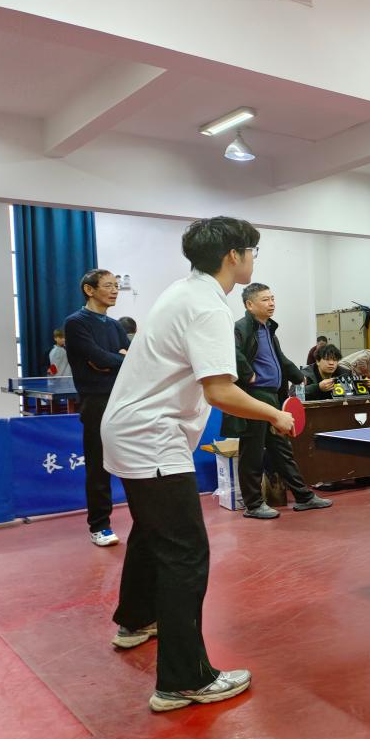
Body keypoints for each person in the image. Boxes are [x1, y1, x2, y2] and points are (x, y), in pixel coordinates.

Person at [101, 217, 296, 712]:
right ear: (234, 255)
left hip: (130, 429)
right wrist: (275, 413)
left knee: (152, 532)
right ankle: (184, 680)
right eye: (252, 251)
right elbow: (220, 391)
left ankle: (135, 620)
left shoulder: (182, 291)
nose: (253, 259)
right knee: (185, 553)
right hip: (152, 438)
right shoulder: (208, 306)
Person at [220, 283, 332, 519]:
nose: (271, 303)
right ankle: (253, 505)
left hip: (273, 396)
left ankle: (303, 496)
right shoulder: (241, 327)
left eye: (272, 298)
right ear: (249, 305)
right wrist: (248, 373)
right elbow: (231, 351)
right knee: (252, 451)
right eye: (265, 299)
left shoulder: (268, 329)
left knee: (281, 449)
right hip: (253, 396)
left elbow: (280, 358)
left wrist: (298, 375)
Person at [64, 269, 131, 547]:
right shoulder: (75, 323)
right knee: (98, 466)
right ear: (89, 290)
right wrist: (117, 358)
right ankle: (100, 525)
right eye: (108, 286)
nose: (115, 290)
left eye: (116, 286)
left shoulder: (115, 326)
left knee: (131, 462)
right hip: (96, 401)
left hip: (122, 399)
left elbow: (131, 359)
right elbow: (97, 358)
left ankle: (144, 518)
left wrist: (113, 360)